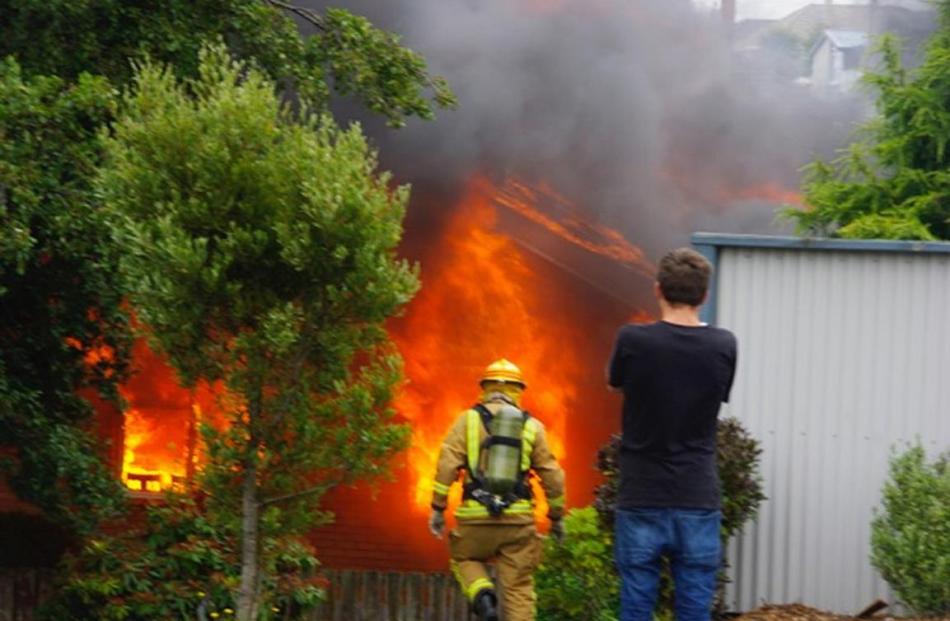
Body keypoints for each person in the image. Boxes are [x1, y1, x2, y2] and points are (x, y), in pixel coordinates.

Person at [607, 248, 737, 621]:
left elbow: (614, 382)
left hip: (642, 494)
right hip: (697, 496)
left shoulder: (632, 340)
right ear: (705, 296)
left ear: (658, 289)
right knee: (695, 608)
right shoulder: (724, 345)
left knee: (636, 603)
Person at [428, 358, 566, 621]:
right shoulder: (532, 426)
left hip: (474, 520)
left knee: (464, 558)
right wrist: (556, 518)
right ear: (518, 390)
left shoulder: (466, 420)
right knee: (518, 590)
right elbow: (553, 476)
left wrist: (437, 508)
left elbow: (446, 466)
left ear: (486, 388)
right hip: (518, 522)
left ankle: (482, 596)